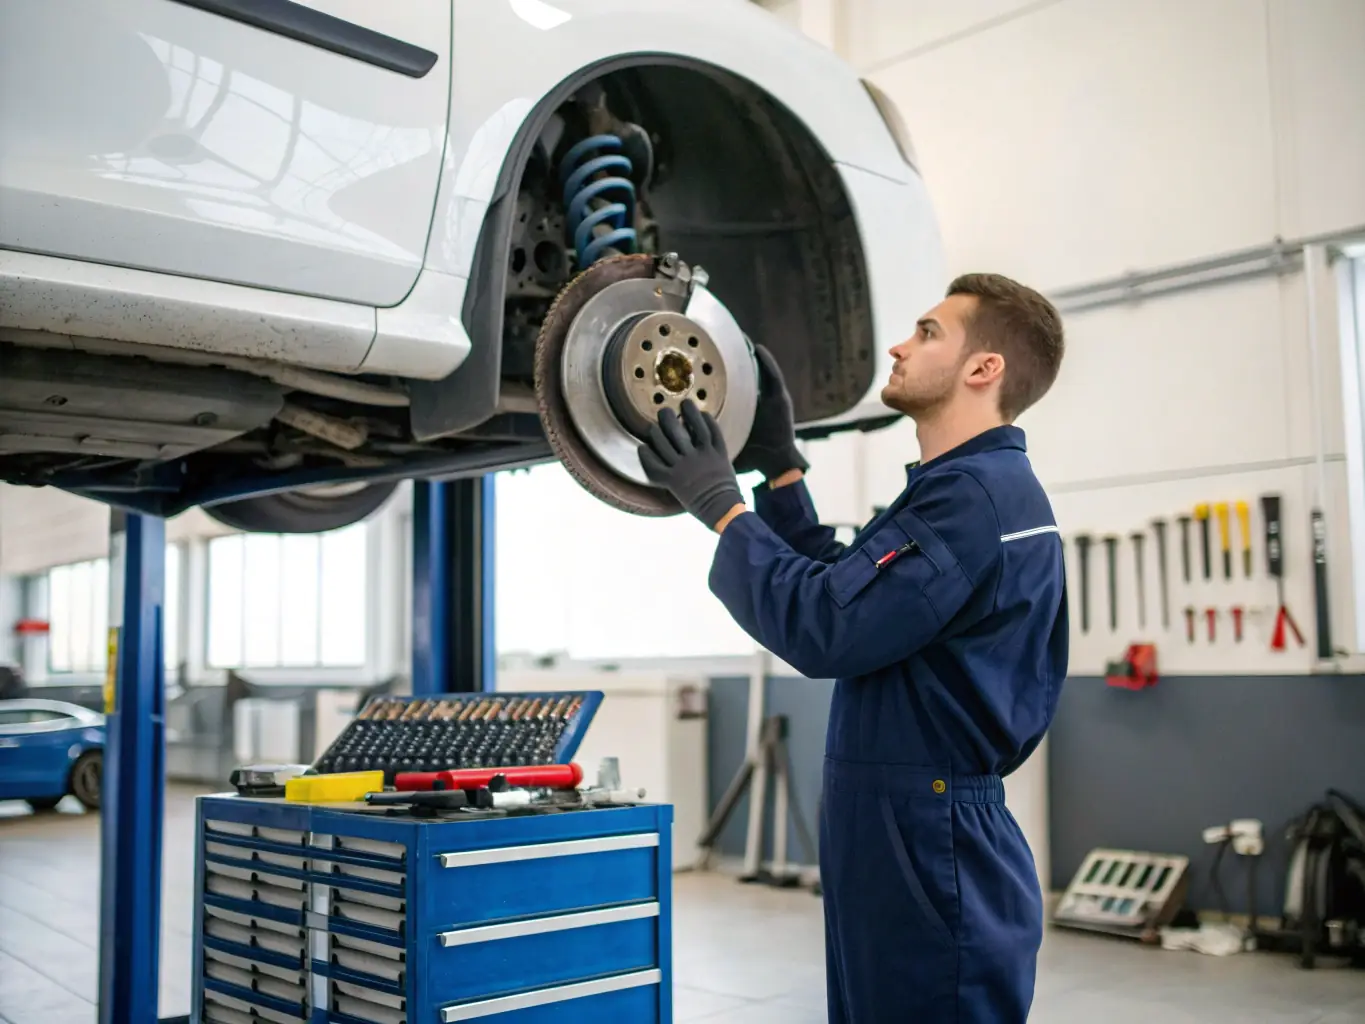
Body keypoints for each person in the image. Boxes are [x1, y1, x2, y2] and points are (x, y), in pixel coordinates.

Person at [637, 272, 1069, 1022]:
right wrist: (780, 467)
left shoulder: (975, 498)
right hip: (900, 825)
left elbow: (823, 626)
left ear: (983, 368)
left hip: (931, 840)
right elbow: (844, 586)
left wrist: (718, 505)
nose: (900, 345)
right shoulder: (958, 488)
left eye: (928, 332)